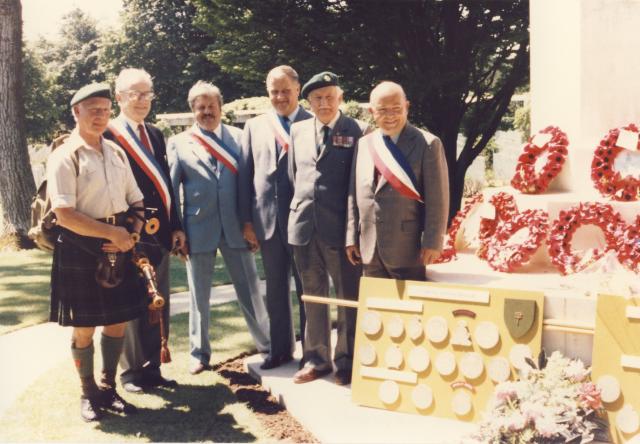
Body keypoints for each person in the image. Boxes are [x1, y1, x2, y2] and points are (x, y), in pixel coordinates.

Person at [47, 83, 146, 421]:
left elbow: (137, 201)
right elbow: (64, 214)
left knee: (117, 320)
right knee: (84, 326)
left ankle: (108, 389)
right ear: (76, 112)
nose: (100, 115)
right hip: (80, 246)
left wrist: (130, 234)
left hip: (118, 244)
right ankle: (87, 393)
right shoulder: (65, 155)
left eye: (105, 109)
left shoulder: (117, 153)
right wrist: (112, 233)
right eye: (93, 110)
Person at [168, 81, 270, 375]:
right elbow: (172, 192)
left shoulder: (240, 138)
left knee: (250, 290)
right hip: (198, 228)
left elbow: (253, 186)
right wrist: (177, 230)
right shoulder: (178, 143)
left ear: (221, 108)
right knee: (198, 296)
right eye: (200, 107)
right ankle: (199, 353)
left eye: (211, 106)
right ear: (193, 111)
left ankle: (266, 345)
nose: (207, 111)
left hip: (237, 226)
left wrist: (252, 224)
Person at [104, 68, 186, 393]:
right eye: (133, 94)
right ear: (119, 97)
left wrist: (176, 226)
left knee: (155, 300)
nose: (141, 100)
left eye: (146, 93)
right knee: (129, 303)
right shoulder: (109, 134)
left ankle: (153, 368)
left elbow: (165, 184)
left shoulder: (154, 134)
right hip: (129, 232)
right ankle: (130, 372)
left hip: (160, 234)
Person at [288, 72, 368, 386]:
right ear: (308, 101)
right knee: (313, 297)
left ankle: (346, 360)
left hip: (340, 231)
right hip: (304, 226)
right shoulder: (297, 131)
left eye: (329, 96)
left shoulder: (358, 130)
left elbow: (358, 186)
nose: (324, 103)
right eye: (317, 98)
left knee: (348, 297)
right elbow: (295, 177)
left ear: (340, 97)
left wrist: (353, 233)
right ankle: (316, 360)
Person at [239, 65, 311, 370]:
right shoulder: (255, 126)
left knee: (309, 289)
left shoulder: (312, 121)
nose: (280, 97)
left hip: (305, 222)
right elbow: (245, 176)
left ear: (297, 89)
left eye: (285, 90)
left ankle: (313, 353)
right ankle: (279, 350)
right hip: (266, 221)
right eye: (274, 91)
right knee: (276, 290)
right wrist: (246, 221)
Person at [346, 81, 449, 281]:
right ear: (371, 111)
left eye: (396, 109)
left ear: (407, 107)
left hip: (408, 249)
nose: (390, 116)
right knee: (374, 310)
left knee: (410, 310)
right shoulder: (365, 144)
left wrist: (433, 242)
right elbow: (353, 193)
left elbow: (438, 199)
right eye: (383, 110)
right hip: (369, 247)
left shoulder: (428, 144)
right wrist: (351, 237)